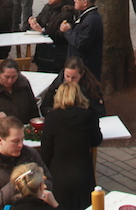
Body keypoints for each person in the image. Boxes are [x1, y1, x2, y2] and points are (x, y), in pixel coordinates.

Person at [40, 81, 103, 210]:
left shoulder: (52, 118)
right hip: (83, 171)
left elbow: (46, 151)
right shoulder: (89, 116)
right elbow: (96, 140)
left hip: (59, 174)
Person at [0, 116, 51, 210]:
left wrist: (37, 186)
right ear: (0, 140)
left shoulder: (30, 154)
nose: (20, 145)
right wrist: (17, 184)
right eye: (15, 141)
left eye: (22, 139)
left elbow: (48, 180)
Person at [0, 58, 41, 124]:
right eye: (6, 77)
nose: (10, 81)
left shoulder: (24, 85)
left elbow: (33, 108)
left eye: (14, 77)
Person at [28, 0, 75, 72]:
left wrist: (42, 31)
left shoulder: (67, 13)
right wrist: (33, 21)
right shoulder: (48, 7)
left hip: (56, 54)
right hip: (42, 52)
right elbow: (40, 19)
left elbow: (60, 36)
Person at [39, 56, 106, 117]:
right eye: (67, 76)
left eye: (74, 78)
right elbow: (45, 106)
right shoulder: (57, 84)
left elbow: (100, 112)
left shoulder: (91, 88)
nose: (69, 80)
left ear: (82, 74)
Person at [61, 0, 103, 79]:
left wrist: (68, 31)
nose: (74, 1)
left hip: (86, 66)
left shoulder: (91, 20)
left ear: (85, 3)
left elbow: (81, 42)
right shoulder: (86, 16)